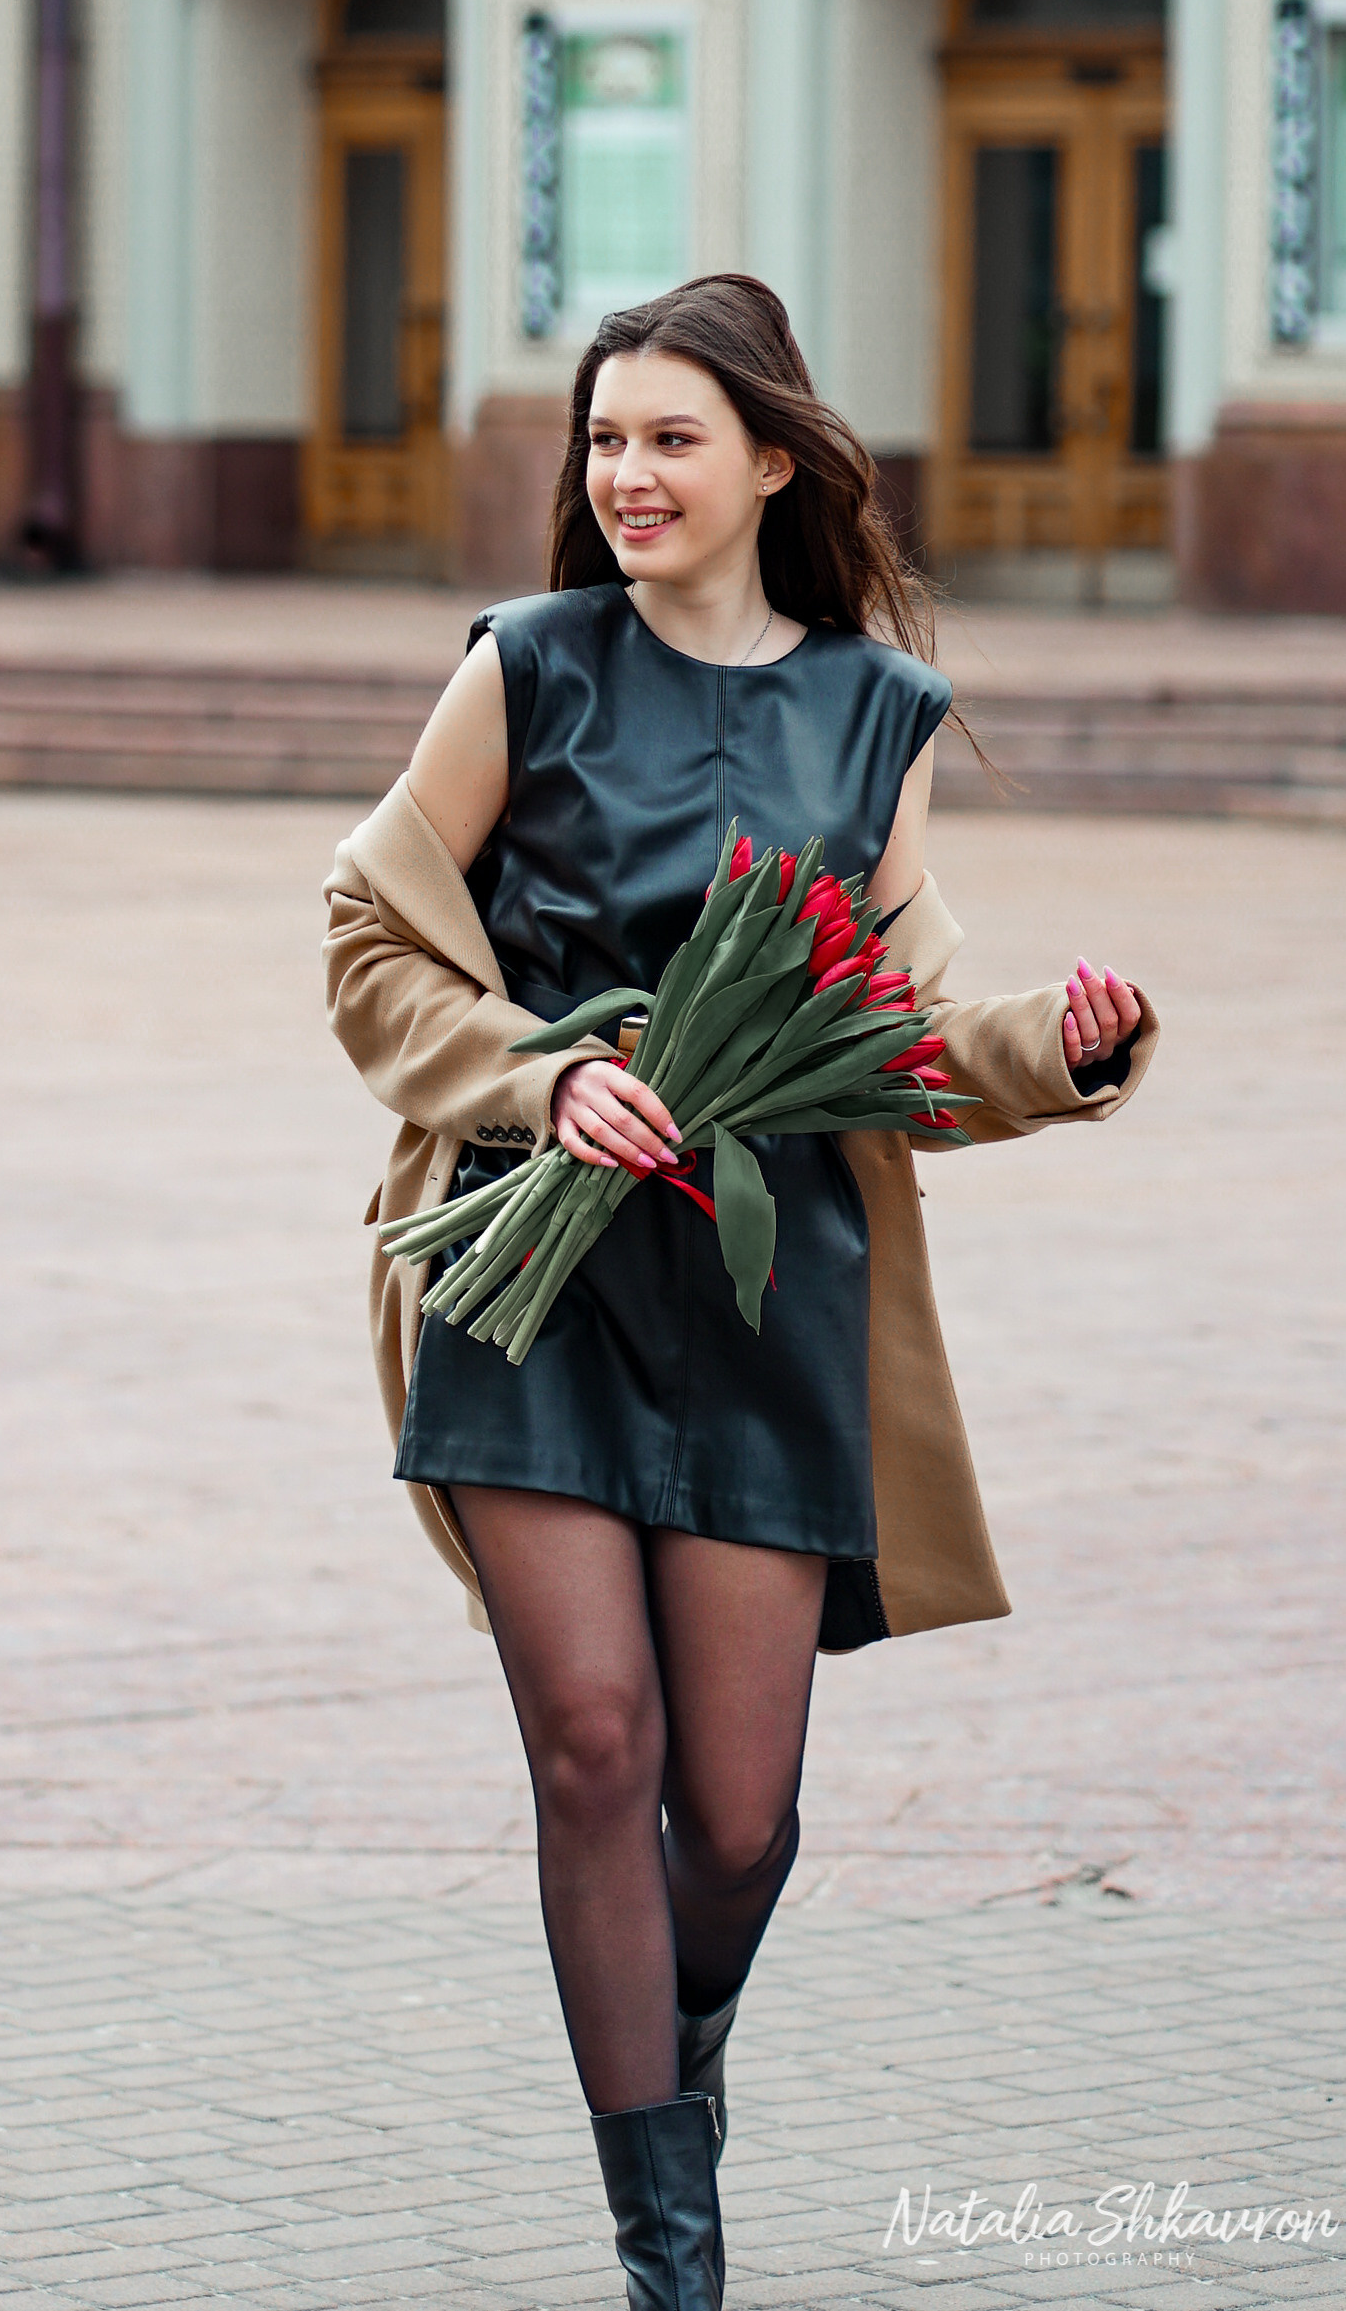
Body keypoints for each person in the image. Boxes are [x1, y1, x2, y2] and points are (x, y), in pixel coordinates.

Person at [324, 274, 1159, 2308]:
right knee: (592, 1746)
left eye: (669, 439)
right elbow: (367, 936)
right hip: (531, 1286)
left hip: (766, 1299)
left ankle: (667, 2063)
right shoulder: (522, 670)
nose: (625, 476)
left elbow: (903, 1018)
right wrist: (541, 1076)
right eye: (601, 441)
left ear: (771, 461)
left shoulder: (870, 714)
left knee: (742, 1819)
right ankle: (665, 2246)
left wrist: (1052, 1047)